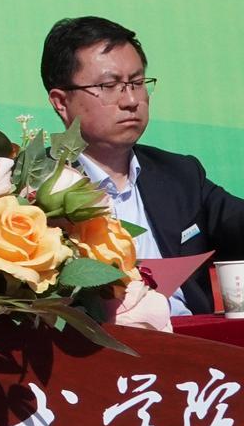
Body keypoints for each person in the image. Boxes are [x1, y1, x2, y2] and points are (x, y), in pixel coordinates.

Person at [42, 16, 244, 315]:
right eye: (109, 85)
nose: (131, 100)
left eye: (137, 83)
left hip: (192, 338)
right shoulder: (32, 189)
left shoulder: (180, 174)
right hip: (96, 342)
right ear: (61, 102)